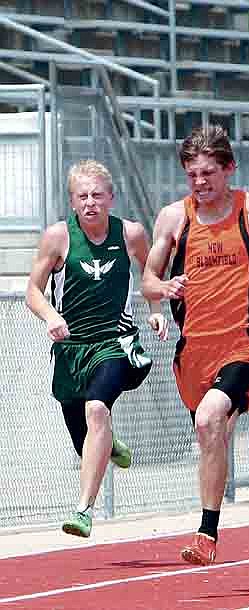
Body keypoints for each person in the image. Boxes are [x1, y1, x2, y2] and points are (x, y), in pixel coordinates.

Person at [142, 124, 249, 566]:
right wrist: (163, 288)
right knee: (210, 430)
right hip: (193, 349)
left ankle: (206, 533)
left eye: (209, 173)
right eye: (193, 175)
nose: (200, 183)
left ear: (229, 169)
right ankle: (238, 401)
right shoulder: (173, 218)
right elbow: (147, 281)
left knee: (209, 420)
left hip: (245, 340)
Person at [25, 159, 168, 538]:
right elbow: (32, 292)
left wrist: (155, 310)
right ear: (72, 202)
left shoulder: (132, 233)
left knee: (97, 409)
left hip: (116, 344)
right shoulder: (57, 237)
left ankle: (83, 510)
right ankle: (111, 445)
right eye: (82, 196)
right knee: (82, 434)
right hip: (71, 350)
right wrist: (51, 317)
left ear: (111, 198)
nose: (91, 203)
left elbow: (151, 276)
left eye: (97, 195)